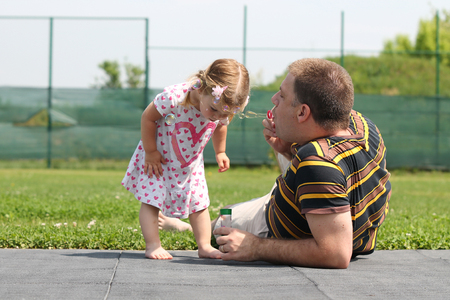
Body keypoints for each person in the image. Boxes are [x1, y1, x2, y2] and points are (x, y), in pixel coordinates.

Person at [161, 58, 391, 269]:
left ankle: (188, 227)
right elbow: (338, 178)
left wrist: (256, 246)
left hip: (268, 223)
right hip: (325, 203)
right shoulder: (361, 123)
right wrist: (286, 149)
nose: (274, 99)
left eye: (282, 95)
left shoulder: (318, 163)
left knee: (225, 220)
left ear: (302, 111)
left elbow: (336, 254)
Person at [121, 58, 250, 260]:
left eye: (223, 113)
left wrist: (220, 152)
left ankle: (205, 246)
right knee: (152, 201)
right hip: (159, 159)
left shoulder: (221, 109)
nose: (216, 117)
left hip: (189, 164)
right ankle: (153, 245)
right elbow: (148, 117)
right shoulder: (174, 98)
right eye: (214, 110)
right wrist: (151, 152)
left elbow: (221, 126)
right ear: (202, 90)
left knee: (199, 204)